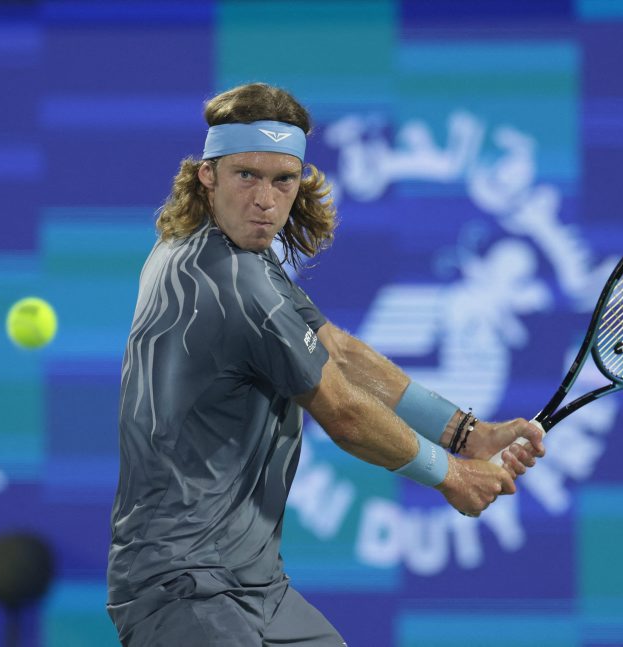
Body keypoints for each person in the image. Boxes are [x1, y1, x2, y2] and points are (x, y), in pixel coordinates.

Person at [106, 83, 546, 647]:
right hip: (183, 586)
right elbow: (343, 413)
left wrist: (467, 433)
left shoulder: (221, 250)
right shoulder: (234, 283)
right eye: (246, 175)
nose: (265, 200)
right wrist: (452, 475)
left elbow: (337, 349)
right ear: (207, 175)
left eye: (282, 180)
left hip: (254, 584)